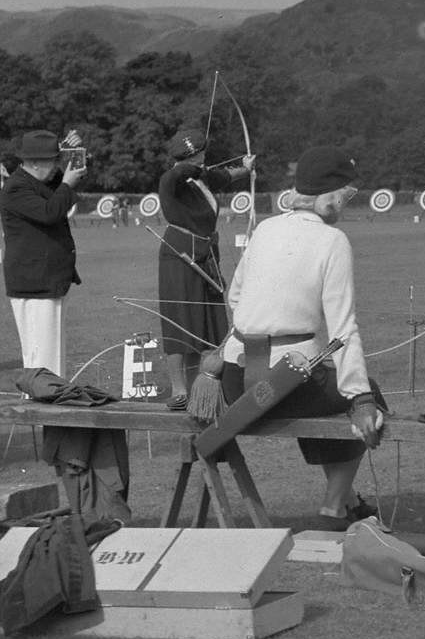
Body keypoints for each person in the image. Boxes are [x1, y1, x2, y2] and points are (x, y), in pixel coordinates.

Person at [219, 145, 384, 530]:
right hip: (283, 386)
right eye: (346, 194)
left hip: (234, 380)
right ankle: (332, 508)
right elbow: (343, 330)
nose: (346, 202)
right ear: (329, 197)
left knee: (324, 388)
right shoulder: (333, 241)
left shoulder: (265, 228)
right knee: (362, 393)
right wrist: (361, 397)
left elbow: (236, 296)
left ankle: (350, 500)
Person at [157, 128, 253, 411]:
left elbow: (225, 176)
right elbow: (170, 177)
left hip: (207, 255)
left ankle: (207, 387)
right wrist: (190, 167)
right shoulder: (174, 182)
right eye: (199, 154)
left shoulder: (202, 177)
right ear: (190, 156)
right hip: (180, 256)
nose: (204, 157)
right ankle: (179, 390)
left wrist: (245, 169)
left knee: (211, 322)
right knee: (180, 321)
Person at [1, 129, 86, 377]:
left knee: (50, 356)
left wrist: (73, 154)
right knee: (41, 358)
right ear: (35, 163)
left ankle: (48, 404)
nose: (58, 166)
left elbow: (63, 188)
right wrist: (68, 182)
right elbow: (50, 212)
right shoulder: (16, 189)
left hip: (48, 280)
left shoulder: (39, 181)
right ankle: (39, 410)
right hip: (34, 282)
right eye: (54, 160)